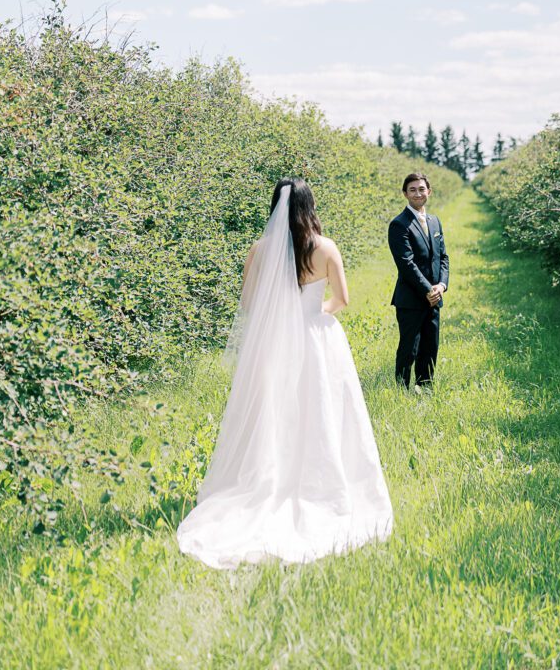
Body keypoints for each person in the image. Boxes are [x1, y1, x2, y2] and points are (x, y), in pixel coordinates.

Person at [176, 177, 393, 569]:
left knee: (274, 411)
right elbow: (341, 300)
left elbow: (247, 304)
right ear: (309, 205)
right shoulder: (325, 248)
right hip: (317, 338)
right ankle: (324, 483)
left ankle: (268, 478)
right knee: (322, 409)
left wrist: (282, 315)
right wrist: (310, 314)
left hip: (276, 341)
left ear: (274, 208)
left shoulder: (259, 250)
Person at [388, 172, 450, 391]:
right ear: (405, 193)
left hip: (435, 296)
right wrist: (427, 290)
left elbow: (443, 257)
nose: (417, 193)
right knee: (409, 349)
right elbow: (406, 263)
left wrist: (441, 286)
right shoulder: (399, 224)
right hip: (411, 298)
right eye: (412, 189)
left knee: (430, 347)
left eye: (421, 189)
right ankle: (401, 391)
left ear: (429, 192)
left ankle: (425, 389)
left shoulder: (435, 222)